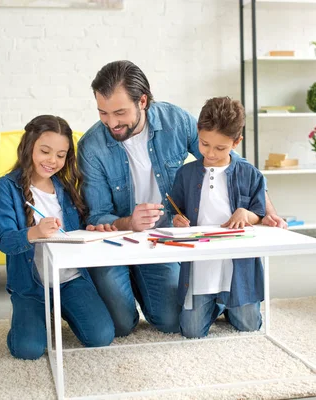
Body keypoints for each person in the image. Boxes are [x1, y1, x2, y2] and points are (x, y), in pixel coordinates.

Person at [77, 60, 286, 337]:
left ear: (142, 101)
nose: (111, 122)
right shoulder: (92, 146)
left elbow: (233, 164)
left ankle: (214, 296)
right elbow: (97, 215)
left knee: (173, 322)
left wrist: (267, 211)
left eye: (119, 112)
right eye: (103, 113)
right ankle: (129, 285)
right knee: (122, 326)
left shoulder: (175, 121)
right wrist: (129, 222)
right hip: (118, 242)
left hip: (161, 238)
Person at [0, 115, 115, 360]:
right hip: (31, 285)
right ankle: (31, 318)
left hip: (70, 279)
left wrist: (91, 230)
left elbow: (77, 229)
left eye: (61, 155)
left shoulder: (66, 186)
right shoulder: (6, 187)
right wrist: (35, 232)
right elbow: (5, 241)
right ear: (29, 147)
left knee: (101, 336)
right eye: (45, 151)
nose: (52, 161)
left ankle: (58, 310)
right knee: (28, 349)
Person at [170, 97, 265, 337]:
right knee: (191, 331)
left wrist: (247, 214)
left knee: (249, 325)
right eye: (204, 144)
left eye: (220, 148)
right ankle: (215, 303)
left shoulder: (250, 174)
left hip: (237, 262)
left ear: (237, 142)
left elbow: (260, 212)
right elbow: (175, 208)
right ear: (198, 134)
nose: (210, 153)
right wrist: (176, 219)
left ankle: (226, 302)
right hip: (200, 263)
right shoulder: (186, 173)